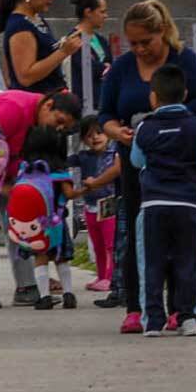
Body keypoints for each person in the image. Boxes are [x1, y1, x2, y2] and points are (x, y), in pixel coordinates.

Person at [97, 0, 196, 330]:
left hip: (178, 165)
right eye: (133, 43)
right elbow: (106, 112)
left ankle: (180, 306)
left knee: (180, 237)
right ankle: (136, 305)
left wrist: (170, 124)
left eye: (145, 42)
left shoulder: (184, 61)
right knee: (138, 232)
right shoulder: (123, 68)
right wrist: (115, 132)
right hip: (136, 163)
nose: (139, 50)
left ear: (161, 31)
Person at [0, 86, 85, 308]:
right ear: (48, 105)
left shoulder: (41, 122)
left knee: (23, 224)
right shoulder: (13, 108)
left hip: (15, 176)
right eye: (59, 121)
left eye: (64, 128)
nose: (58, 129)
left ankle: (27, 286)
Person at [131, 65, 196, 336]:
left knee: (150, 264)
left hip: (153, 205)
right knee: (188, 262)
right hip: (187, 205)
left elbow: (137, 161)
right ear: (185, 94)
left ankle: (153, 320)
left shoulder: (145, 128)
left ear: (153, 97)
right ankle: (188, 318)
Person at [0, 0, 81, 94]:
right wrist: (63, 52)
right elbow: (25, 77)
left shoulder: (36, 20)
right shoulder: (20, 26)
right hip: (35, 102)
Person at [15, 126, 78, 310]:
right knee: (61, 258)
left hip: (35, 224)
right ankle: (68, 294)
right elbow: (69, 193)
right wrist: (86, 189)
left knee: (40, 257)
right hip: (57, 221)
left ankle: (44, 297)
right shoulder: (58, 169)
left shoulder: (26, 169)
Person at [69, 117, 122, 291]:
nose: (95, 138)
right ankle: (101, 276)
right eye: (89, 135)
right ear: (83, 139)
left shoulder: (114, 154)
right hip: (90, 205)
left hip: (108, 203)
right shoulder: (83, 156)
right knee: (97, 245)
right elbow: (66, 160)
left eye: (99, 133)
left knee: (110, 244)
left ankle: (110, 277)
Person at [69, 0, 112, 113]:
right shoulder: (74, 40)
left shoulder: (101, 40)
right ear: (88, 12)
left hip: (102, 100)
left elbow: (110, 63)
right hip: (85, 103)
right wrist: (104, 67)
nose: (106, 16)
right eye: (102, 12)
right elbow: (88, 67)